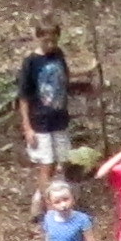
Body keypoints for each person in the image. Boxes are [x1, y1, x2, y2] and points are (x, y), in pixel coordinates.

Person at [16, 24, 77, 173]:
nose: (50, 45)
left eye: (54, 41)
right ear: (38, 38)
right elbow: (24, 96)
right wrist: (27, 128)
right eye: (46, 41)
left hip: (59, 118)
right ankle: (44, 193)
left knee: (61, 160)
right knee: (46, 162)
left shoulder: (58, 55)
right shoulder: (31, 62)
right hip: (39, 121)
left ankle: (56, 191)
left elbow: (64, 78)